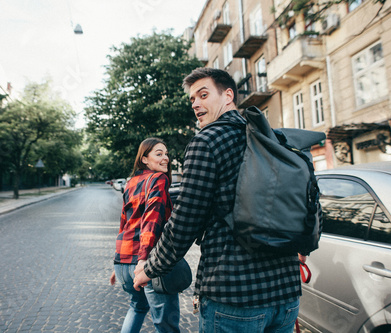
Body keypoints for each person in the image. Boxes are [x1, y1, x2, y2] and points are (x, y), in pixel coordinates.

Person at [134, 68, 305, 333]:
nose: (196, 104)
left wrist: (150, 268)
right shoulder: (272, 138)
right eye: (192, 99)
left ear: (228, 95)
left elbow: (186, 221)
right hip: (286, 295)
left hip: (234, 297)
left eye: (203, 95)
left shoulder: (207, 141)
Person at [109, 137, 180, 333]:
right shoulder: (159, 179)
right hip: (146, 263)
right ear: (145, 159)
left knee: (137, 308)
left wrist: (120, 262)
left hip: (123, 263)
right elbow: (152, 219)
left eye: (166, 154)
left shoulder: (131, 182)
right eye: (159, 154)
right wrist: (142, 260)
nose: (165, 158)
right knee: (166, 326)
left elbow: (125, 223)